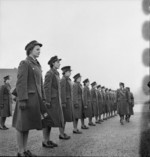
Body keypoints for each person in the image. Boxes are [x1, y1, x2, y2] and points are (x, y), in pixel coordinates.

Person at [12, 40, 46, 156]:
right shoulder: (25, 63)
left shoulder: (37, 64)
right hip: (25, 99)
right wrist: (22, 99)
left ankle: (25, 150)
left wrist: (43, 98)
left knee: (26, 125)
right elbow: (21, 83)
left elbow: (40, 83)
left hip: (34, 100)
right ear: (30, 50)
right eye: (37, 49)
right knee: (20, 126)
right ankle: (20, 152)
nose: (39, 51)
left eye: (39, 49)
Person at [42, 55, 65, 148]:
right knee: (47, 121)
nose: (59, 64)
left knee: (51, 121)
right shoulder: (49, 73)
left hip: (55, 101)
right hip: (50, 101)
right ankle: (44, 141)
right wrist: (47, 101)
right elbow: (46, 87)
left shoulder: (56, 73)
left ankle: (48, 140)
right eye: (58, 62)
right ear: (53, 63)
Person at [60, 66, 74, 139]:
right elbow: (62, 92)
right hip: (65, 101)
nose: (70, 73)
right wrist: (63, 102)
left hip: (68, 100)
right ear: (65, 72)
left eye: (70, 71)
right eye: (69, 72)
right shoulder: (63, 80)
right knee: (63, 118)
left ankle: (62, 133)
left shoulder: (68, 80)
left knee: (65, 118)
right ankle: (61, 134)